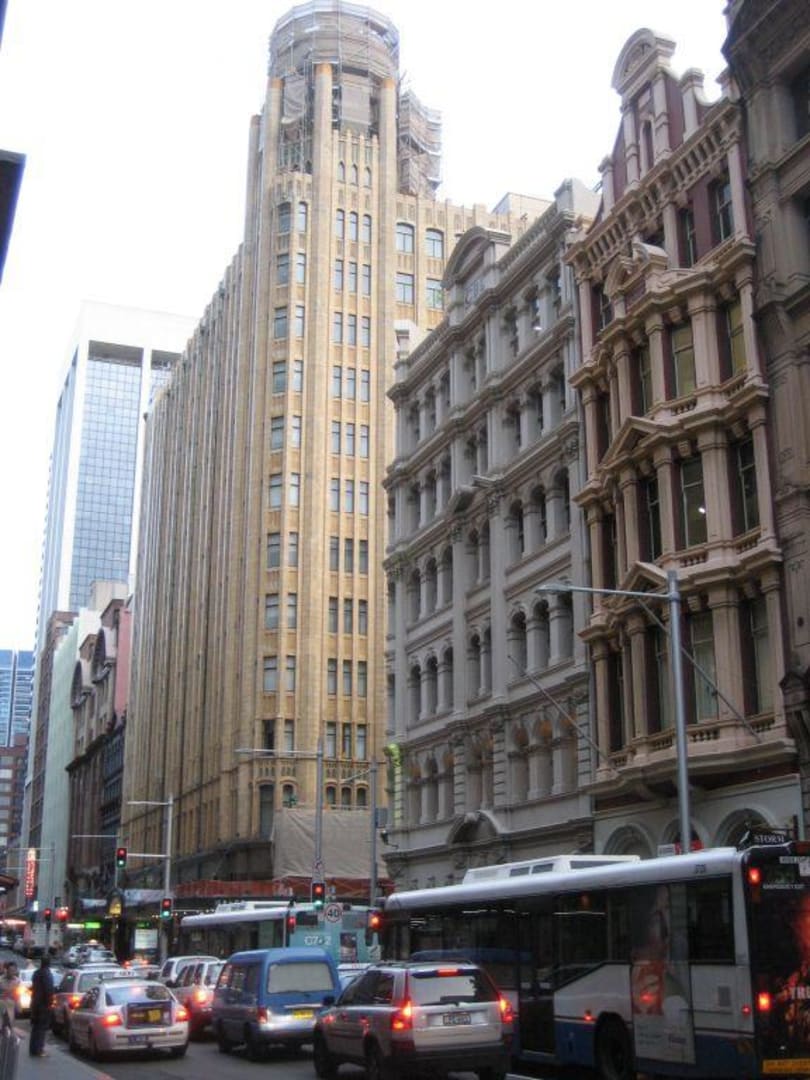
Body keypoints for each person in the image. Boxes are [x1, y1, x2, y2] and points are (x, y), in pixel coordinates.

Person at [29, 954, 54, 1057]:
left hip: (35, 1003)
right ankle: (39, 1050)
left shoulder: (36, 973)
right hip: (43, 1004)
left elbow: (33, 987)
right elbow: (49, 990)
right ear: (49, 963)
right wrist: (49, 1003)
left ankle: (33, 1048)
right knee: (41, 1028)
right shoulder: (47, 974)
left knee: (35, 1027)